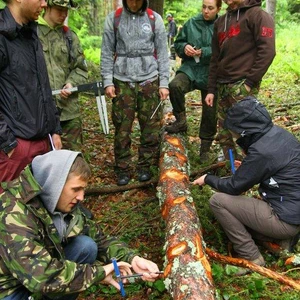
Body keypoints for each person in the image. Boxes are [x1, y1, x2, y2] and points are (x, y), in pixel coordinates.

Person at [0, 150, 161, 299]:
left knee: (86, 246)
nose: (81, 197)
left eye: (83, 189)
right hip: (9, 288)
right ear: (54, 185)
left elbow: (100, 240)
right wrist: (99, 273)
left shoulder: (60, 205)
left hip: (33, 277)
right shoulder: (14, 212)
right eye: (76, 189)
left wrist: (132, 258)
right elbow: (39, 276)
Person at [193, 97, 300, 275]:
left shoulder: (262, 151)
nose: (234, 137)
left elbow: (234, 187)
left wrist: (208, 178)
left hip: (284, 219)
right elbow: (276, 169)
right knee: (241, 213)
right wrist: (249, 167)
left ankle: (251, 257)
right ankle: (283, 240)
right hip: (293, 212)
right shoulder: (279, 134)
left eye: (235, 132)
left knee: (218, 201)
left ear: (245, 131)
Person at [101, 0, 170, 186]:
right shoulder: (113, 19)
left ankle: (145, 167)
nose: (133, 2)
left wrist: (164, 83)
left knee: (150, 127)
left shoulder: (155, 19)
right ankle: (123, 168)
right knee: (122, 128)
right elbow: (106, 52)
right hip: (122, 80)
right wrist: (108, 81)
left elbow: (163, 53)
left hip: (150, 79)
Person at [0, 0, 62, 192]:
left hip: (44, 143)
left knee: (40, 213)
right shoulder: (2, 36)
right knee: (12, 218)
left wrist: (54, 129)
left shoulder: (30, 34)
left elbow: (42, 87)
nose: (44, 4)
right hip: (16, 149)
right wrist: (8, 143)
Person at [205, 0, 276, 160]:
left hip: (242, 84)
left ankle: (253, 172)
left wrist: (249, 83)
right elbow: (215, 58)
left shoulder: (258, 15)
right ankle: (233, 172)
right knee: (225, 134)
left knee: (246, 132)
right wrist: (211, 89)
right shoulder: (220, 21)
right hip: (222, 85)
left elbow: (268, 51)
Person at [165, 0, 222, 163]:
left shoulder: (222, 24)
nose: (206, 11)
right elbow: (178, 43)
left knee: (210, 109)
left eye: (210, 8)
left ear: (218, 8)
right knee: (175, 85)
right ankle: (181, 120)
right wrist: (184, 48)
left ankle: (205, 147)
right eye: (204, 7)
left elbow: (226, 48)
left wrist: (204, 51)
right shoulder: (192, 23)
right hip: (191, 68)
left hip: (212, 71)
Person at [38, 0, 88, 151]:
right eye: (60, 9)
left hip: (68, 113)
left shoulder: (69, 37)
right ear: (47, 7)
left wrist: (71, 83)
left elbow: (81, 69)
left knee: (74, 162)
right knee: (43, 164)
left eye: (66, 11)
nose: (64, 14)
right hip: (40, 114)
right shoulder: (31, 34)